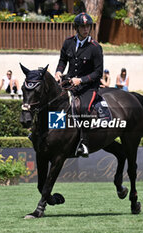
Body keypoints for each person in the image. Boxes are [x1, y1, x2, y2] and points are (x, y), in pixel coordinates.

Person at [55, 12, 103, 157]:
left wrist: (81, 80)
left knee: (83, 108)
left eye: (88, 26)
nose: (86, 29)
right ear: (76, 27)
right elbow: (62, 60)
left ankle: (84, 142)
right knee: (52, 100)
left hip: (88, 86)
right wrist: (58, 71)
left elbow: (98, 73)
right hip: (69, 82)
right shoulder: (68, 42)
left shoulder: (95, 47)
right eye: (82, 26)